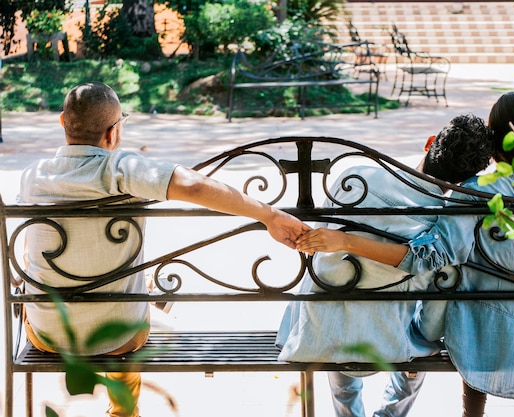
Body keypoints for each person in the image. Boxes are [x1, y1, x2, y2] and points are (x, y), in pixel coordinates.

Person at [18, 82, 309, 417]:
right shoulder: (121, 169)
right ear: (112, 134)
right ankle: (124, 411)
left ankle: (149, 298)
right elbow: (195, 185)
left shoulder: (32, 176)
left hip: (47, 335)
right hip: (119, 337)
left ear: (62, 123)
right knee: (124, 317)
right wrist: (268, 214)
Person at [296, 92, 514, 417]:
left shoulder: (477, 191)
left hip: (490, 334)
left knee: (439, 286)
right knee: (438, 296)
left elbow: (432, 258)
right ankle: (393, 410)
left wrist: (344, 242)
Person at [278, 113, 494, 417]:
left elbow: (319, 245)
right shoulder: (440, 219)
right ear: (463, 180)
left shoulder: (355, 177)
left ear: (429, 143)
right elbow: (430, 263)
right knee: (430, 309)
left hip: (319, 331)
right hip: (390, 340)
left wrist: (346, 243)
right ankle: (391, 413)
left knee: (338, 289)